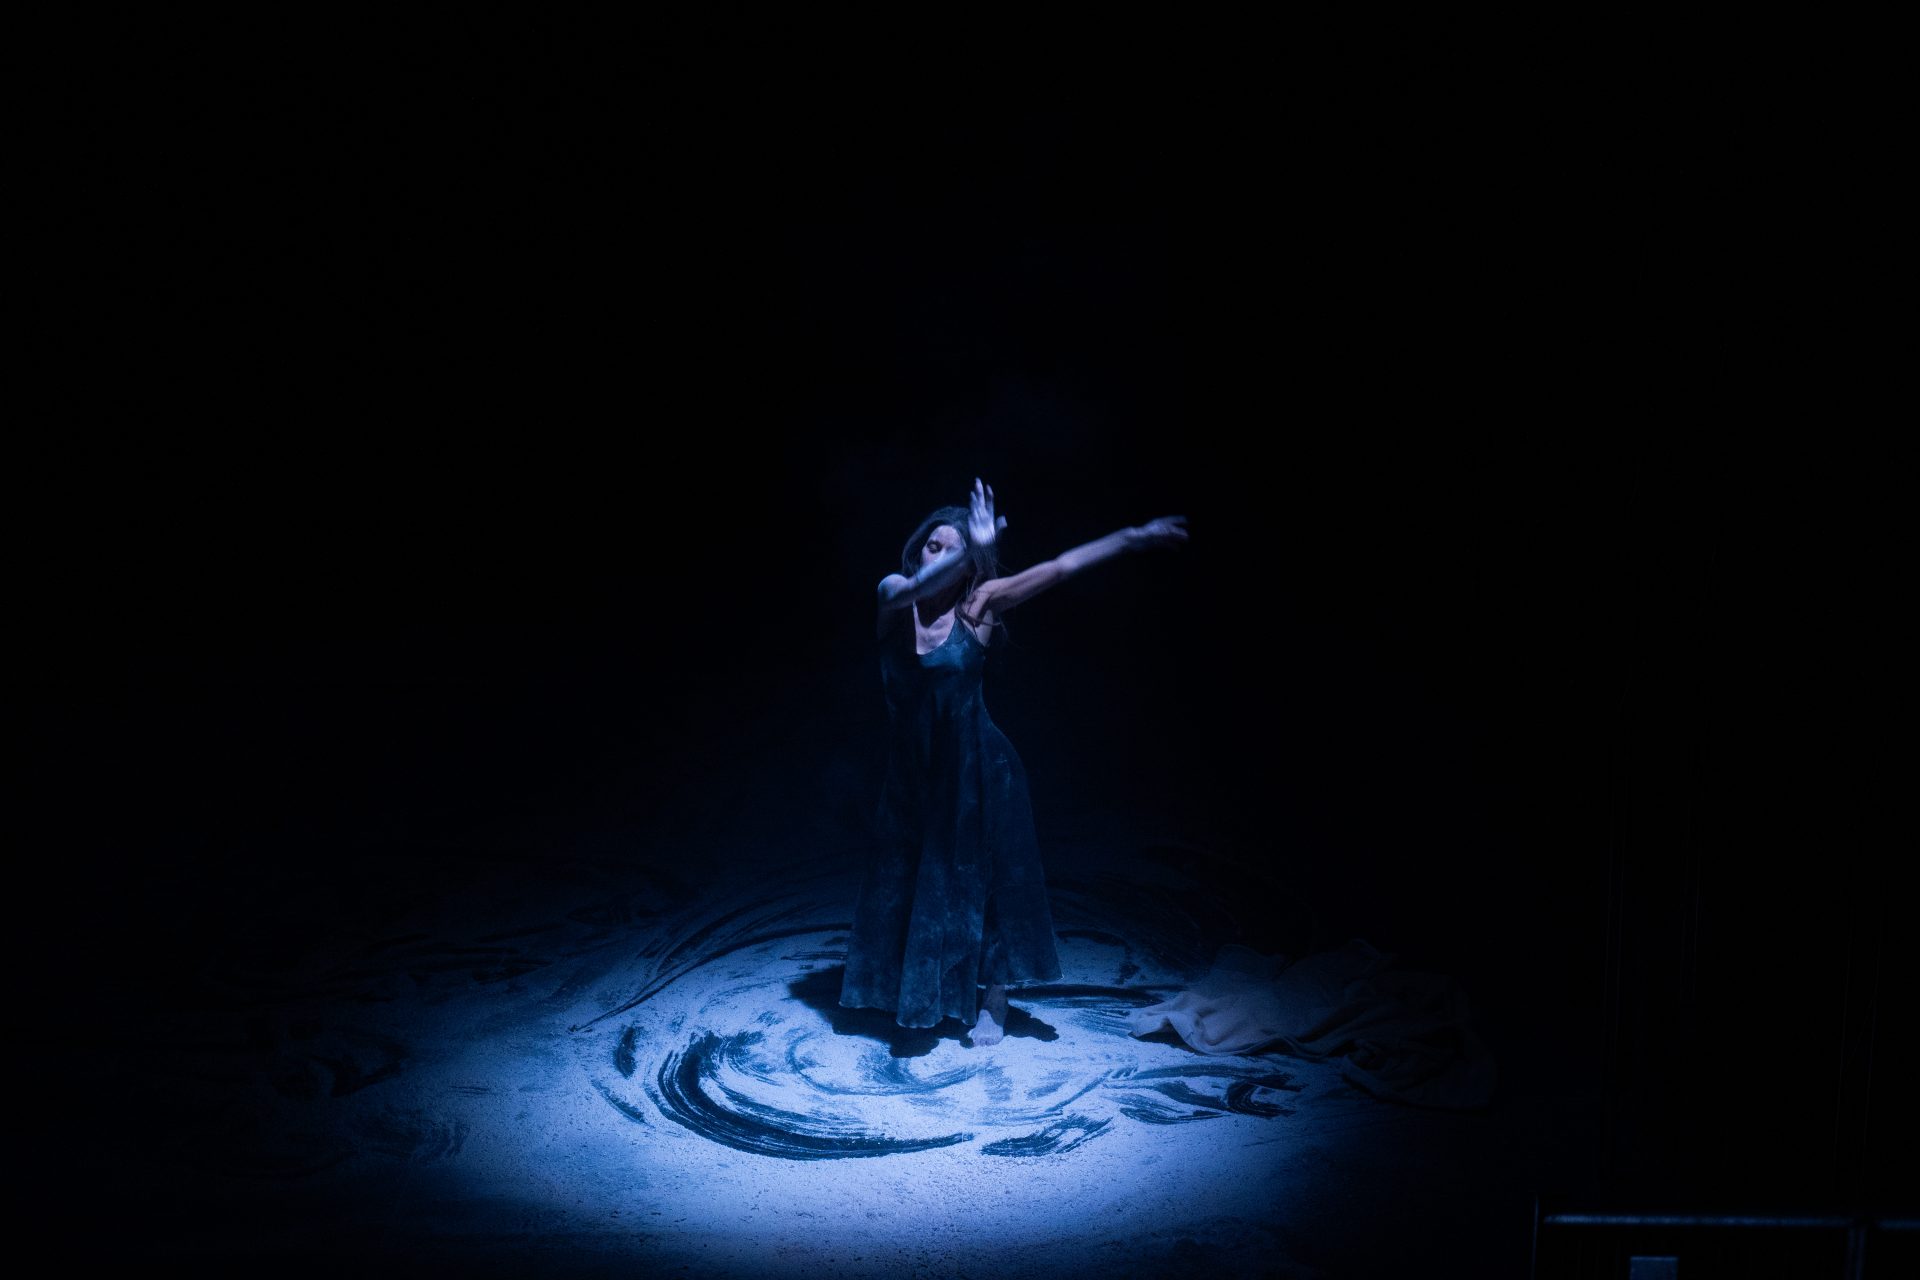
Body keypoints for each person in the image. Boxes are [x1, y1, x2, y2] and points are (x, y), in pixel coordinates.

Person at [838, 477, 1189, 1046]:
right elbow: (916, 587)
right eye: (933, 545)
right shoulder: (894, 593)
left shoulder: (980, 605)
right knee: (905, 880)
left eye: (954, 551)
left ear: (970, 567)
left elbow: (1060, 567)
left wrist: (1134, 536)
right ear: (918, 550)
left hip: (981, 771)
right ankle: (919, 991)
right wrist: (969, 550)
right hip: (914, 778)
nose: (938, 556)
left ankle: (994, 999)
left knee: (989, 889)